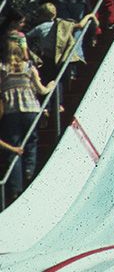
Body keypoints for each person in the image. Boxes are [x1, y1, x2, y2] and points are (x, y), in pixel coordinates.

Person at [1, 33, 55, 200]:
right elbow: (41, 90)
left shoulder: (2, 69)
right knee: (31, 141)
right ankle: (30, 171)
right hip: (31, 109)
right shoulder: (29, 67)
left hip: (11, 112)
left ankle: (16, 188)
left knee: (14, 147)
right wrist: (51, 86)